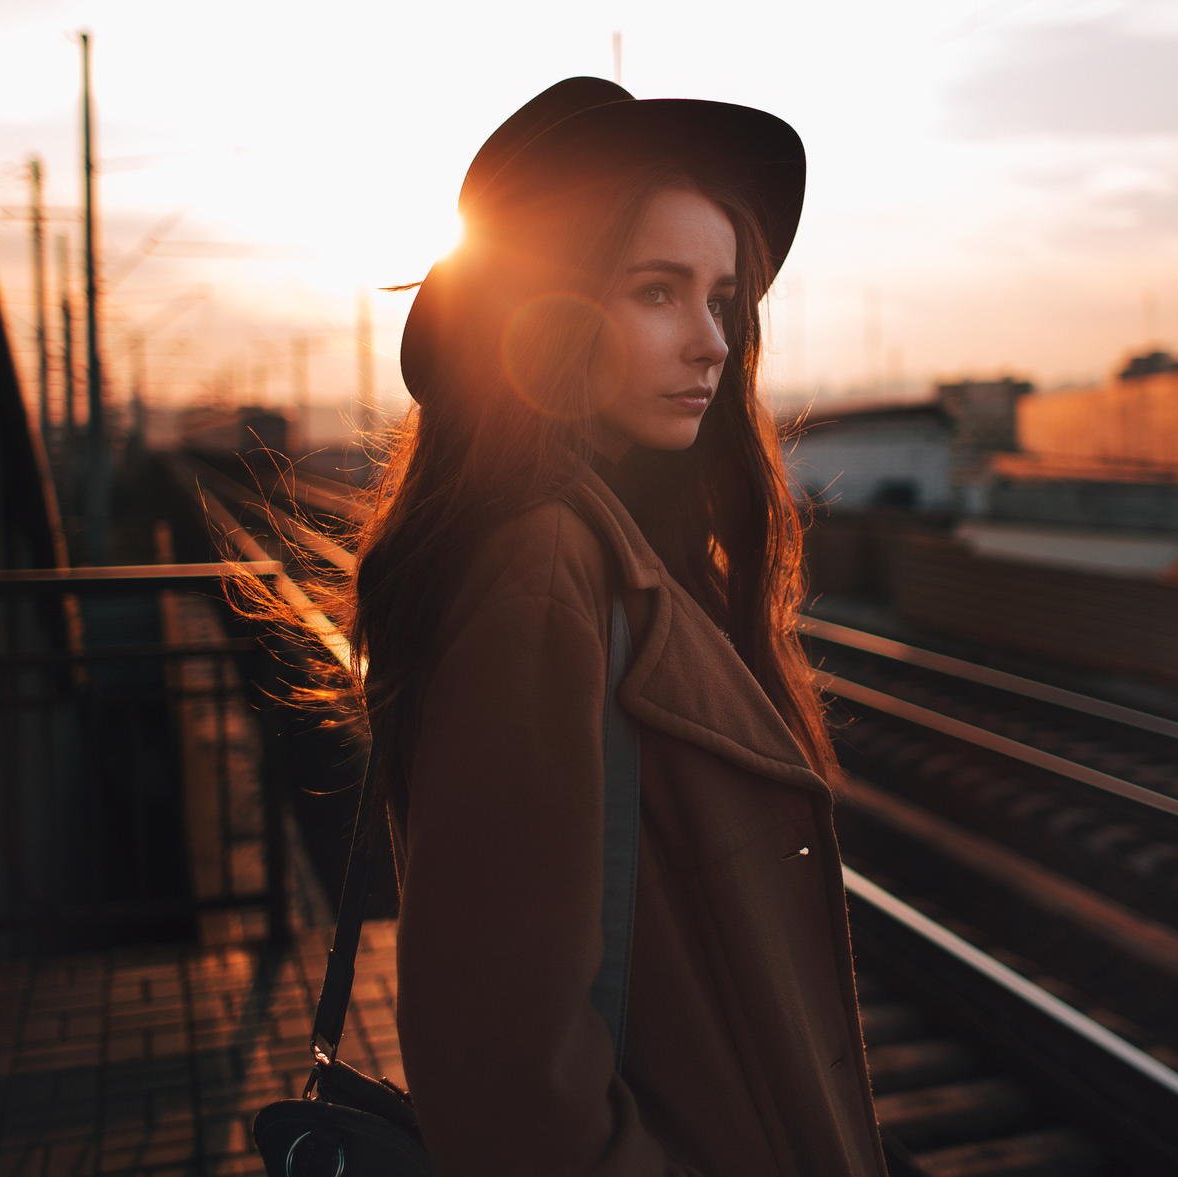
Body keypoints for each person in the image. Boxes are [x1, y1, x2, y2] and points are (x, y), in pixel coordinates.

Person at [342, 77, 889, 1176]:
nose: (710, 343)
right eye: (656, 293)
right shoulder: (542, 569)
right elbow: (508, 1076)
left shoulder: (597, 548)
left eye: (721, 300)